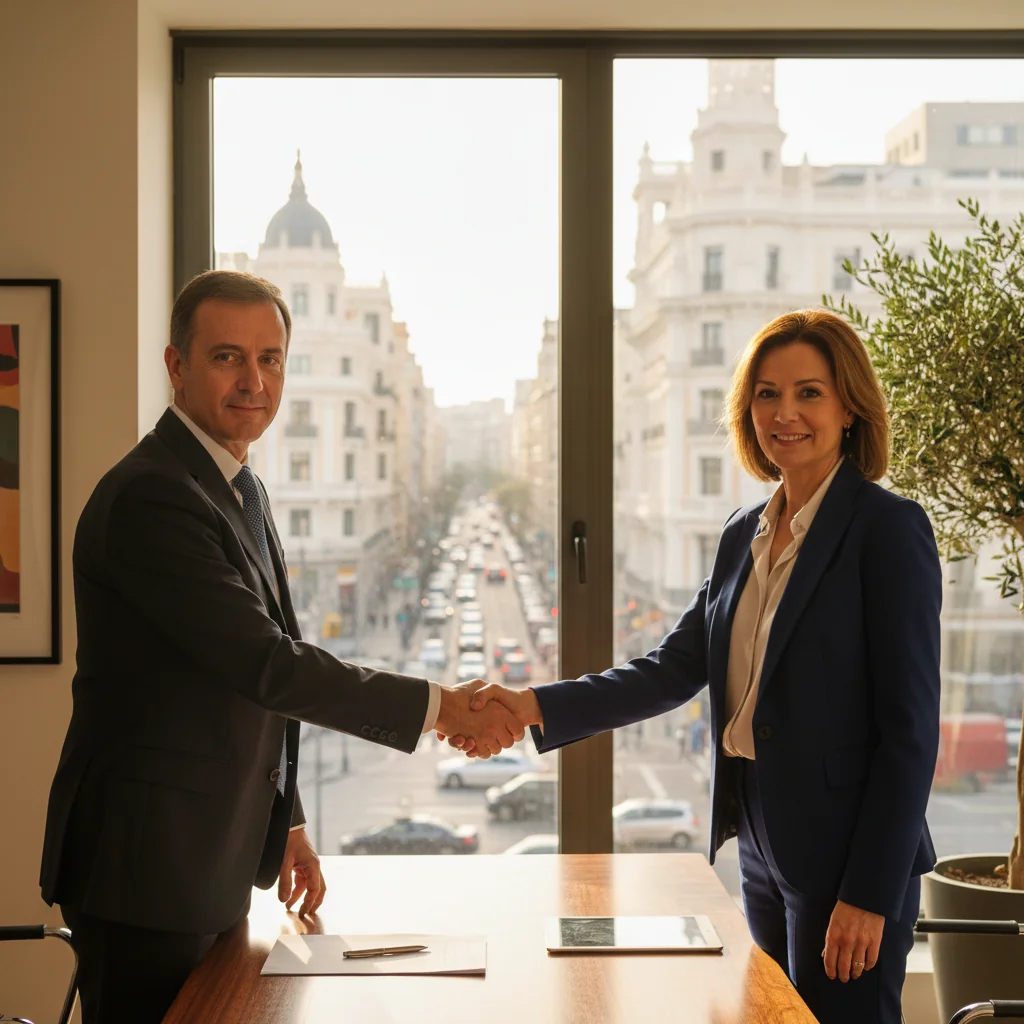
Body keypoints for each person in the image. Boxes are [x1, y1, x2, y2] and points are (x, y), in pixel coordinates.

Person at [39, 270, 519, 1024]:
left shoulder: (237, 485)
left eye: (270, 359)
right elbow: (265, 663)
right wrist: (439, 706)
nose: (253, 381)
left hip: (203, 858)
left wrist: (285, 821)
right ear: (176, 366)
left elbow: (249, 677)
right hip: (145, 867)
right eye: (228, 357)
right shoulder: (153, 496)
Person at [450, 309, 941, 1024]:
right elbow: (672, 669)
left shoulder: (887, 531)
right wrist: (529, 705)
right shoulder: (745, 532)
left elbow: (910, 733)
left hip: (847, 856)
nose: (785, 413)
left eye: (809, 392)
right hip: (761, 843)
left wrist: (868, 892)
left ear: (850, 407)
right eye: (767, 394)